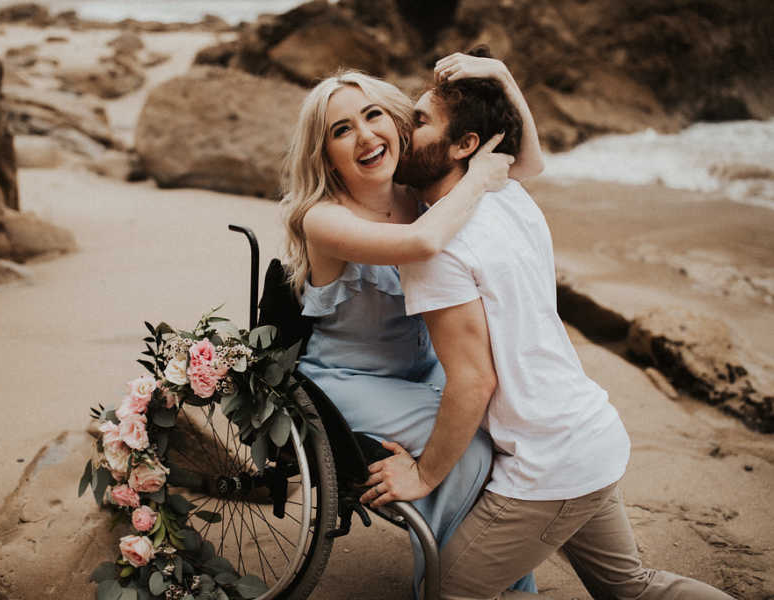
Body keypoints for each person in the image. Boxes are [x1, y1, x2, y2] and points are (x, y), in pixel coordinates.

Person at [360, 53, 736, 600]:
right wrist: (503, 77)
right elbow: (527, 159)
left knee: (448, 592)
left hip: (549, 461)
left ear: (466, 146)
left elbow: (473, 382)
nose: (400, 131)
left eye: (418, 121)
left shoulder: (436, 250)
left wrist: (421, 476)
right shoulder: (505, 193)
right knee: (629, 588)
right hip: (589, 433)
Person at [280, 54, 544, 596]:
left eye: (375, 115)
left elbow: (529, 165)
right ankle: (451, 586)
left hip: (422, 374)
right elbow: (421, 244)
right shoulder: (325, 220)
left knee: (512, 425)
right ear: (325, 155)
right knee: (468, 447)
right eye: (341, 130)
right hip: (348, 385)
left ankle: (493, 576)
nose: (366, 136)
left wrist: (501, 76)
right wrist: (475, 181)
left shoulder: (417, 190)